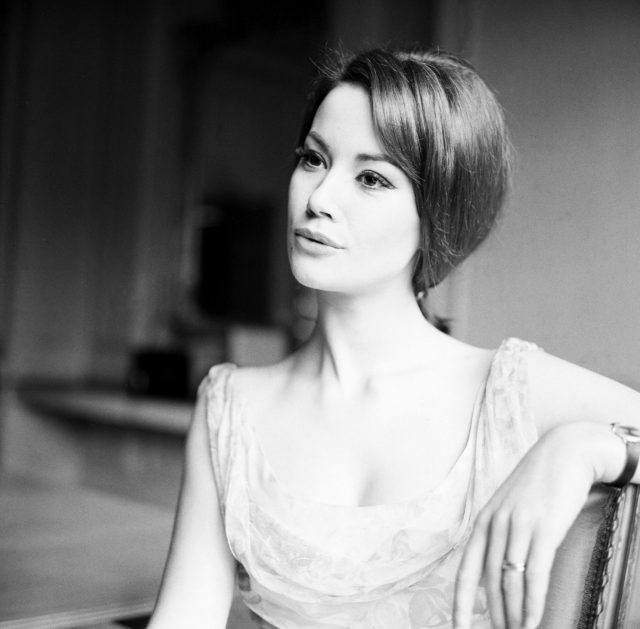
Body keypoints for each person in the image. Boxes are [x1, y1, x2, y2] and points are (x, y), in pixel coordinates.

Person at [148, 48, 640, 629]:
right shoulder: (230, 407)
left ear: (437, 213)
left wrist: (588, 448)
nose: (318, 199)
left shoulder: (508, 392)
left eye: (372, 178)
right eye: (313, 159)